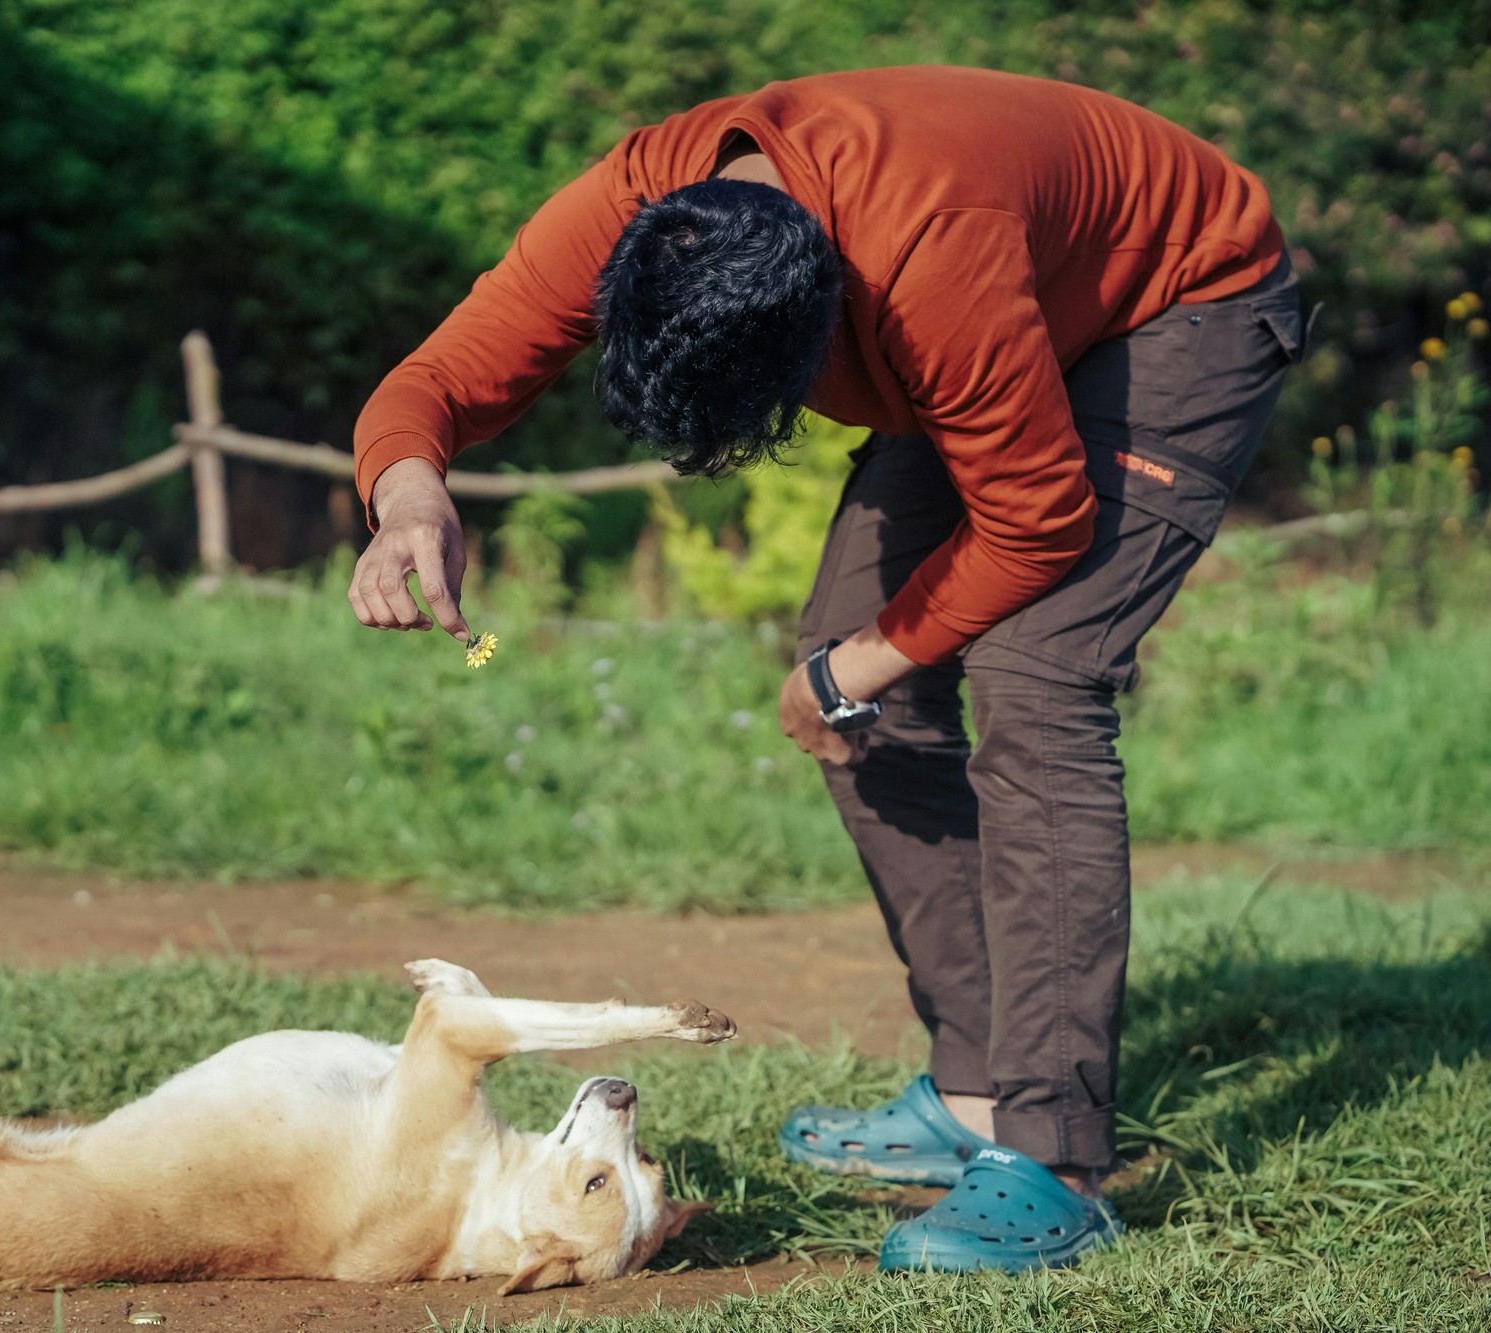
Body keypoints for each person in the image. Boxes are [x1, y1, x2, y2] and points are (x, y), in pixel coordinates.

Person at [344, 65, 1304, 1271]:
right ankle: (976, 1093)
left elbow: (1038, 524)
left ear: (824, 325)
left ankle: (1053, 1160)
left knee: (1034, 674)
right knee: (864, 685)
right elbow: (435, 377)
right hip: (1002, 297)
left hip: (1178, 304)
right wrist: (410, 499)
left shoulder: (925, 259)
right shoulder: (641, 209)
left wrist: (855, 663)